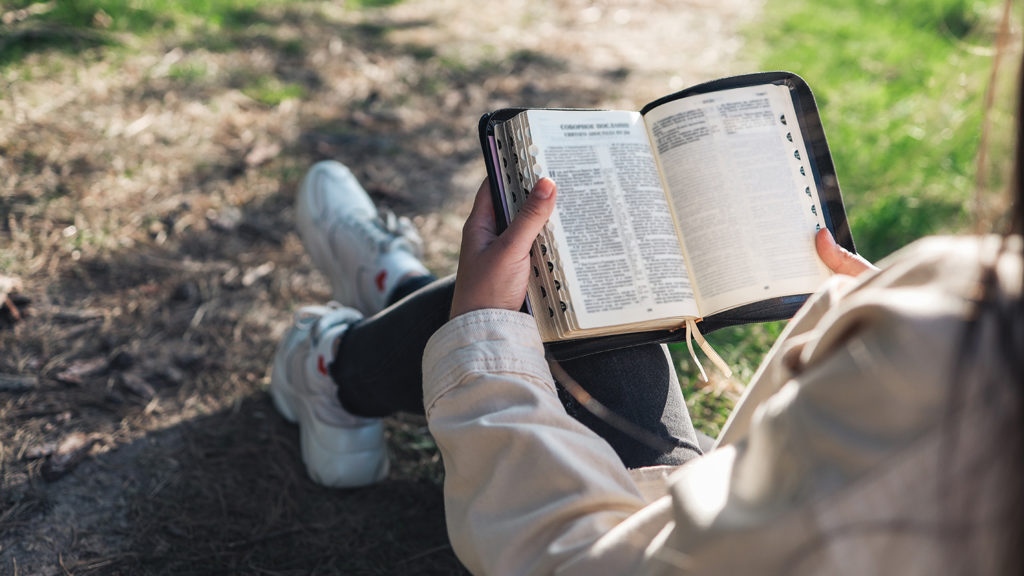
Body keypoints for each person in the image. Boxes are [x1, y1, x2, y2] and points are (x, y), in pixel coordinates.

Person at [270, 78, 1023, 575]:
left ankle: (336, 367)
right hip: (714, 524)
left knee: (544, 293)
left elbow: (576, 561)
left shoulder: (971, 371)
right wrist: (866, 318)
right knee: (596, 299)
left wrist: (482, 336)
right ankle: (392, 289)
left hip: (659, 540)